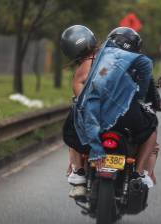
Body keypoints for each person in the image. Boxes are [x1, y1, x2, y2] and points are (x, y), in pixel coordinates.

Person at [73, 27, 159, 183]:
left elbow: (81, 83)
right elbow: (148, 90)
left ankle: (78, 170)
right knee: (151, 129)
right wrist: (145, 100)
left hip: (97, 114)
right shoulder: (137, 62)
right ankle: (138, 173)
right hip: (127, 115)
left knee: (75, 124)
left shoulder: (96, 59)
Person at [60, 25, 97, 197]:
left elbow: (81, 98)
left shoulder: (83, 68)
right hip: (121, 117)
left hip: (95, 116)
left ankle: (78, 172)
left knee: (73, 133)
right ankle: (142, 174)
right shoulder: (112, 58)